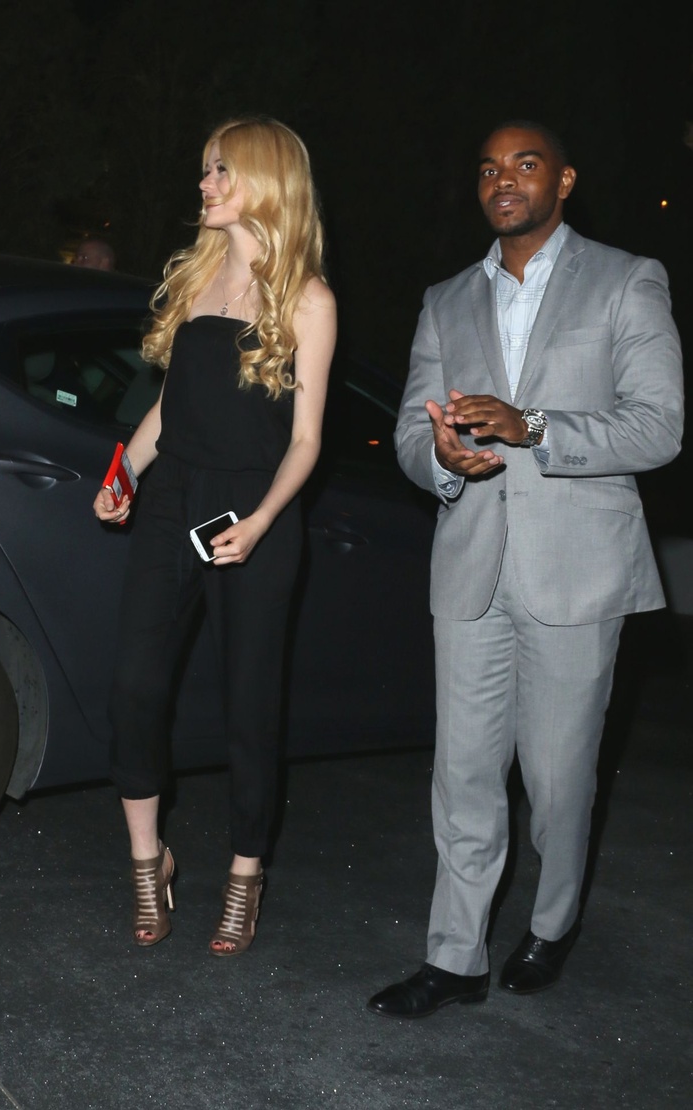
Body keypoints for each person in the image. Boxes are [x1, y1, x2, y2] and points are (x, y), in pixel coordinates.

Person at [367, 120, 684, 1018]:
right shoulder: (445, 299)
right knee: (462, 775)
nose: (503, 180)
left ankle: (552, 921)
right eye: (488, 169)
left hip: (577, 570)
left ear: (565, 181)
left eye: (525, 164)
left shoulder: (626, 278)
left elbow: (659, 426)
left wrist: (532, 425)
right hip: (471, 565)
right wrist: (443, 461)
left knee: (557, 780)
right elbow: (410, 430)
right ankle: (455, 957)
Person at [93, 117, 336, 954]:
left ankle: (244, 874)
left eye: (222, 170)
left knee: (249, 704)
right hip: (175, 500)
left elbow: (307, 440)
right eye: (206, 169)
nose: (205, 183)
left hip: (254, 509)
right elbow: (171, 410)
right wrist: (124, 475)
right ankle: (146, 859)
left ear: (267, 180)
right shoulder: (199, 279)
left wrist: (263, 520)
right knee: (134, 685)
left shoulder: (308, 299)